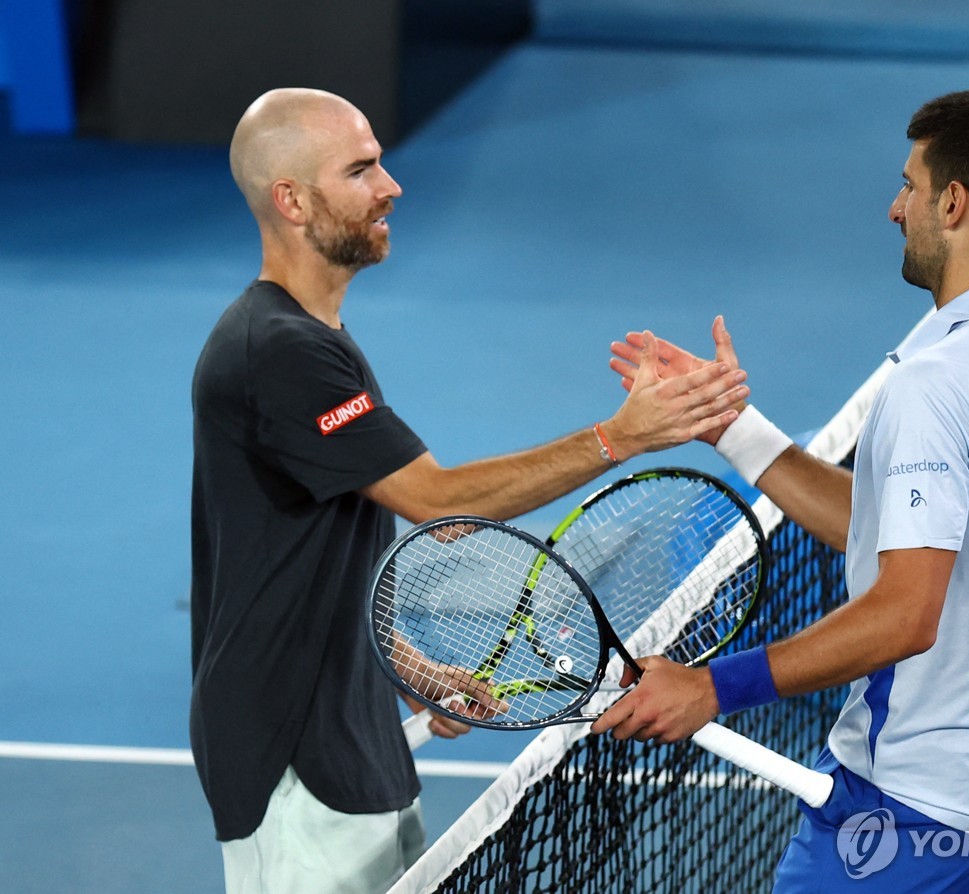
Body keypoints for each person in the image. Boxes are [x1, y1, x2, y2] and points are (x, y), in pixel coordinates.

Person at [190, 87, 749, 894]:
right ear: (293, 201)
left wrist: (409, 664)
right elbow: (438, 504)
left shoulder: (314, 340)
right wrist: (619, 437)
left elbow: (321, 547)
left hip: (347, 729)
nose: (393, 186)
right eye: (362, 169)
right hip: (293, 748)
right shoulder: (282, 354)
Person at [593, 90, 969, 893]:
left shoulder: (938, 383)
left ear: (954, 204)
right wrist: (733, 427)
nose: (896, 208)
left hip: (909, 808)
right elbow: (894, 530)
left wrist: (713, 686)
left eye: (910, 185)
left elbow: (905, 612)